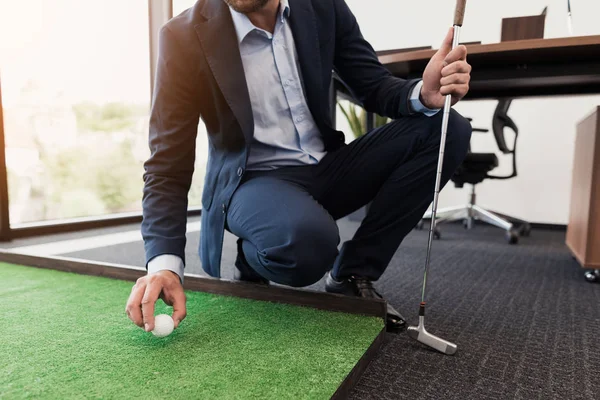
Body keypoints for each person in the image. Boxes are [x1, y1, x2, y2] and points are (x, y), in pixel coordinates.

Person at [126, 0, 472, 332]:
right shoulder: (182, 36)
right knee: (307, 246)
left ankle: (350, 274)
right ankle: (254, 254)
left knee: (447, 129)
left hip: (327, 166)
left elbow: (373, 86)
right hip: (253, 183)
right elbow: (167, 166)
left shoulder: (323, 6)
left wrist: (425, 94)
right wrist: (165, 266)